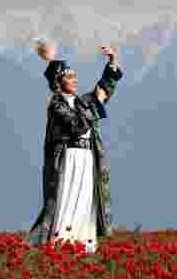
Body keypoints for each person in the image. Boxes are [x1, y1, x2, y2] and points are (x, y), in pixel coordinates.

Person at [29, 41, 123, 252]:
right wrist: (97, 105)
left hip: (87, 157)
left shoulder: (82, 101)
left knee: (85, 199)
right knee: (66, 197)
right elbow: (76, 127)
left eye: (74, 76)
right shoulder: (56, 105)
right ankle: (60, 241)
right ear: (58, 82)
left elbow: (104, 88)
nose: (75, 79)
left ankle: (83, 243)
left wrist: (112, 60)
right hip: (68, 158)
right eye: (70, 77)